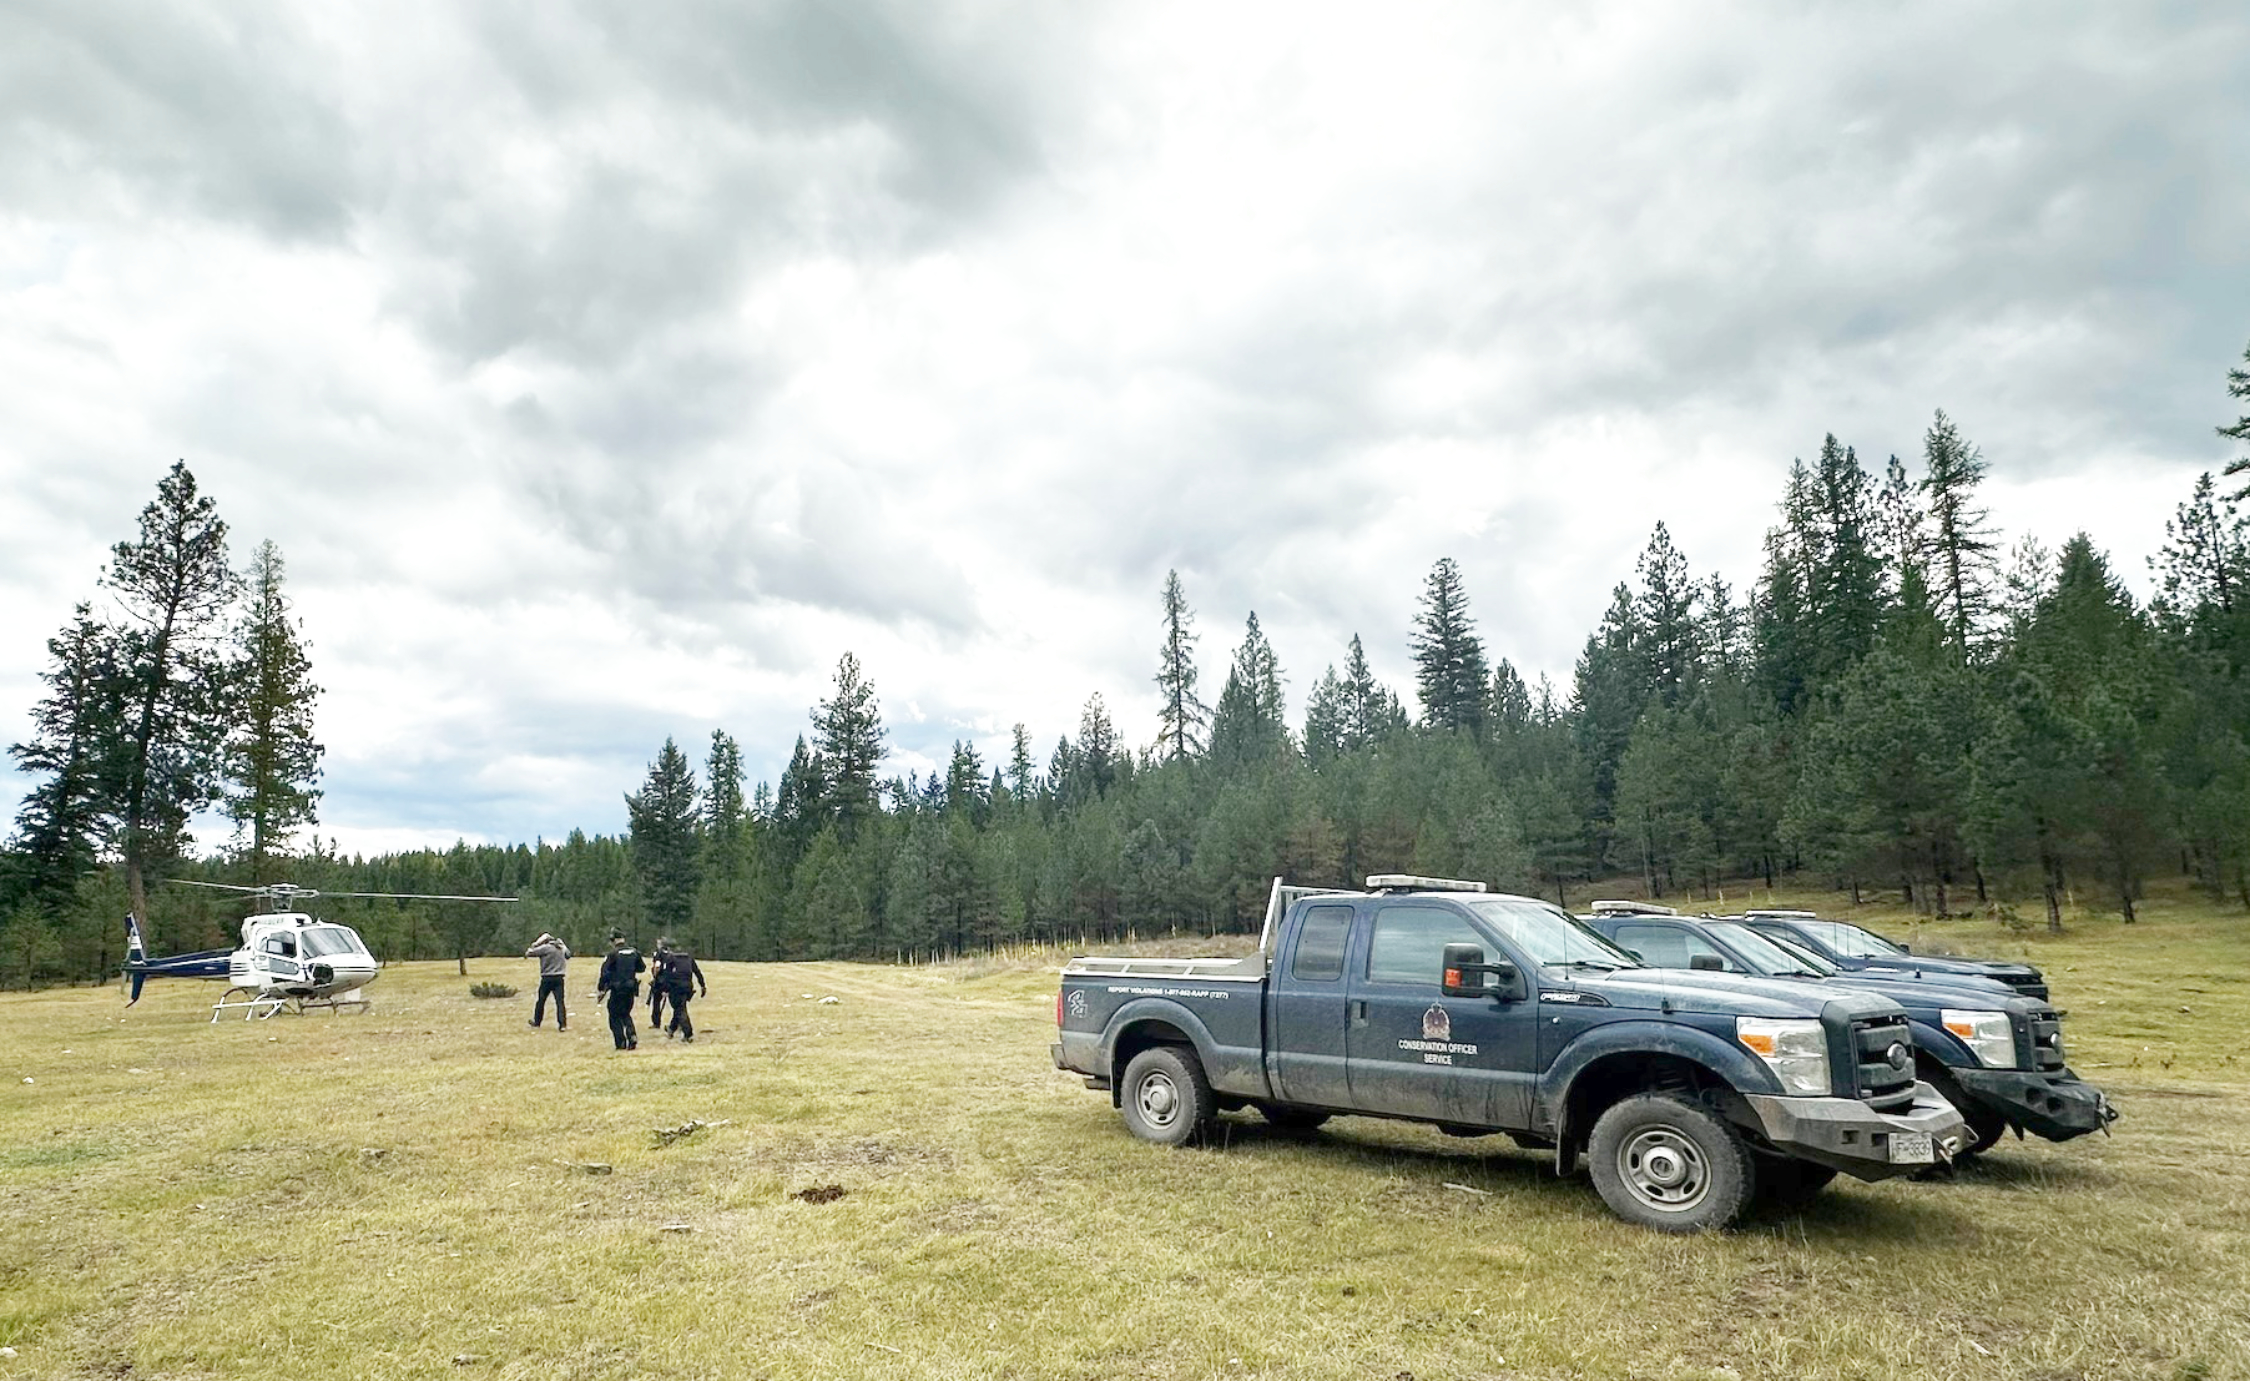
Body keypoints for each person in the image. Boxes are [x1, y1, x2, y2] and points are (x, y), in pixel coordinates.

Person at [595, 931, 645, 1051]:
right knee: (625, 1013)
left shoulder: (613, 954)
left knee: (614, 1015)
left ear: (614, 941)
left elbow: (605, 973)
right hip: (631, 988)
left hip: (617, 989)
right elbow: (641, 968)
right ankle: (631, 1034)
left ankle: (620, 1042)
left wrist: (601, 989)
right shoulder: (634, 952)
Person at [655, 941, 707, 1042]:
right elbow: (697, 972)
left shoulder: (670, 958)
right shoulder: (688, 958)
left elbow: (666, 975)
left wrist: (664, 989)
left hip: (675, 987)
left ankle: (688, 1033)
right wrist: (702, 985)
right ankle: (671, 1028)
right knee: (680, 1007)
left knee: (679, 1009)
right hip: (687, 986)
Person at [524, 931, 571, 1031]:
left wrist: (536, 944)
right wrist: (563, 945)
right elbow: (568, 955)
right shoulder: (561, 948)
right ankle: (562, 1025)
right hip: (559, 977)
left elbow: (529, 953)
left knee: (541, 1000)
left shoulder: (545, 948)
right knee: (560, 1002)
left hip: (547, 977)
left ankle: (537, 1022)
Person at [647, 938, 672, 1033]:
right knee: (674, 1003)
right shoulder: (670, 953)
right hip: (670, 980)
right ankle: (678, 1021)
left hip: (660, 981)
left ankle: (656, 1022)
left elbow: (657, 966)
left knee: (656, 1001)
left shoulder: (658, 953)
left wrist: (655, 976)